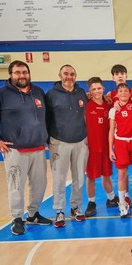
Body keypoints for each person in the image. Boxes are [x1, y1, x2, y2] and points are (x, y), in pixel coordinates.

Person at [0, 60, 52, 235]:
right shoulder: (1, 94)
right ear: (11, 75)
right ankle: (17, 218)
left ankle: (33, 214)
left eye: (24, 72)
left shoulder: (38, 92)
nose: (21, 75)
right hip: (15, 151)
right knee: (16, 186)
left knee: (40, 184)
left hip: (39, 149)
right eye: (17, 72)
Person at [46, 64, 88, 227]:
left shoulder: (81, 92)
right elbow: (46, 118)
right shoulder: (51, 95)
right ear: (60, 75)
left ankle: (76, 207)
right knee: (59, 178)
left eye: (72, 74)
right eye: (66, 74)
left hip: (80, 141)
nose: (69, 77)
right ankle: (59, 210)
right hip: (59, 142)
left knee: (79, 177)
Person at [108, 83, 132, 216]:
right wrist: (110, 149)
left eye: (126, 91)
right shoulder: (113, 110)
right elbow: (111, 130)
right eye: (121, 91)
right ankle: (122, 203)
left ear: (130, 93)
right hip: (120, 143)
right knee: (121, 174)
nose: (123, 93)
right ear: (116, 94)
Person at [84, 77, 118, 217]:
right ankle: (91, 202)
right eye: (93, 89)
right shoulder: (86, 105)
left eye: (99, 88)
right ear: (89, 91)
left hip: (106, 146)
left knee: (107, 174)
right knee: (91, 176)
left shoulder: (109, 105)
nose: (97, 91)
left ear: (103, 89)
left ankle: (111, 198)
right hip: (91, 147)